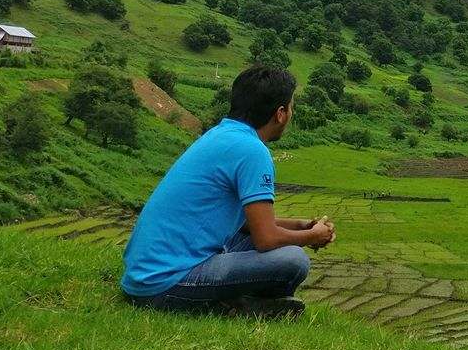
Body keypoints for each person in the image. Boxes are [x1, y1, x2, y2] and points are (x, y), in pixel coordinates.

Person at [121, 66, 335, 318]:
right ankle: (246, 306)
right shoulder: (253, 150)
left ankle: (243, 303)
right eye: (291, 107)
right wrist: (312, 237)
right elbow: (265, 238)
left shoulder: (219, 135)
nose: (291, 113)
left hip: (142, 277)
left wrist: (300, 226)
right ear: (280, 113)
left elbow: (247, 225)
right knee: (293, 261)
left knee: (272, 246)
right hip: (166, 284)